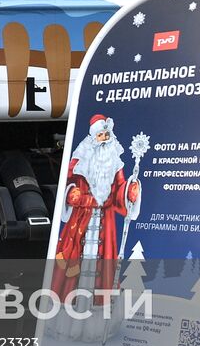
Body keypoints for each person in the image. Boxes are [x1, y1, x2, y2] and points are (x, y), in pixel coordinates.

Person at [52, 114, 142, 304]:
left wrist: (130, 191)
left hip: (104, 219)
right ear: (93, 137)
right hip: (81, 218)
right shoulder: (80, 159)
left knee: (102, 264)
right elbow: (67, 185)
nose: (104, 139)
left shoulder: (114, 163)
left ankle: (98, 309)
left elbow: (119, 190)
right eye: (100, 135)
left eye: (107, 135)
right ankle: (68, 306)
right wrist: (72, 195)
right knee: (74, 258)